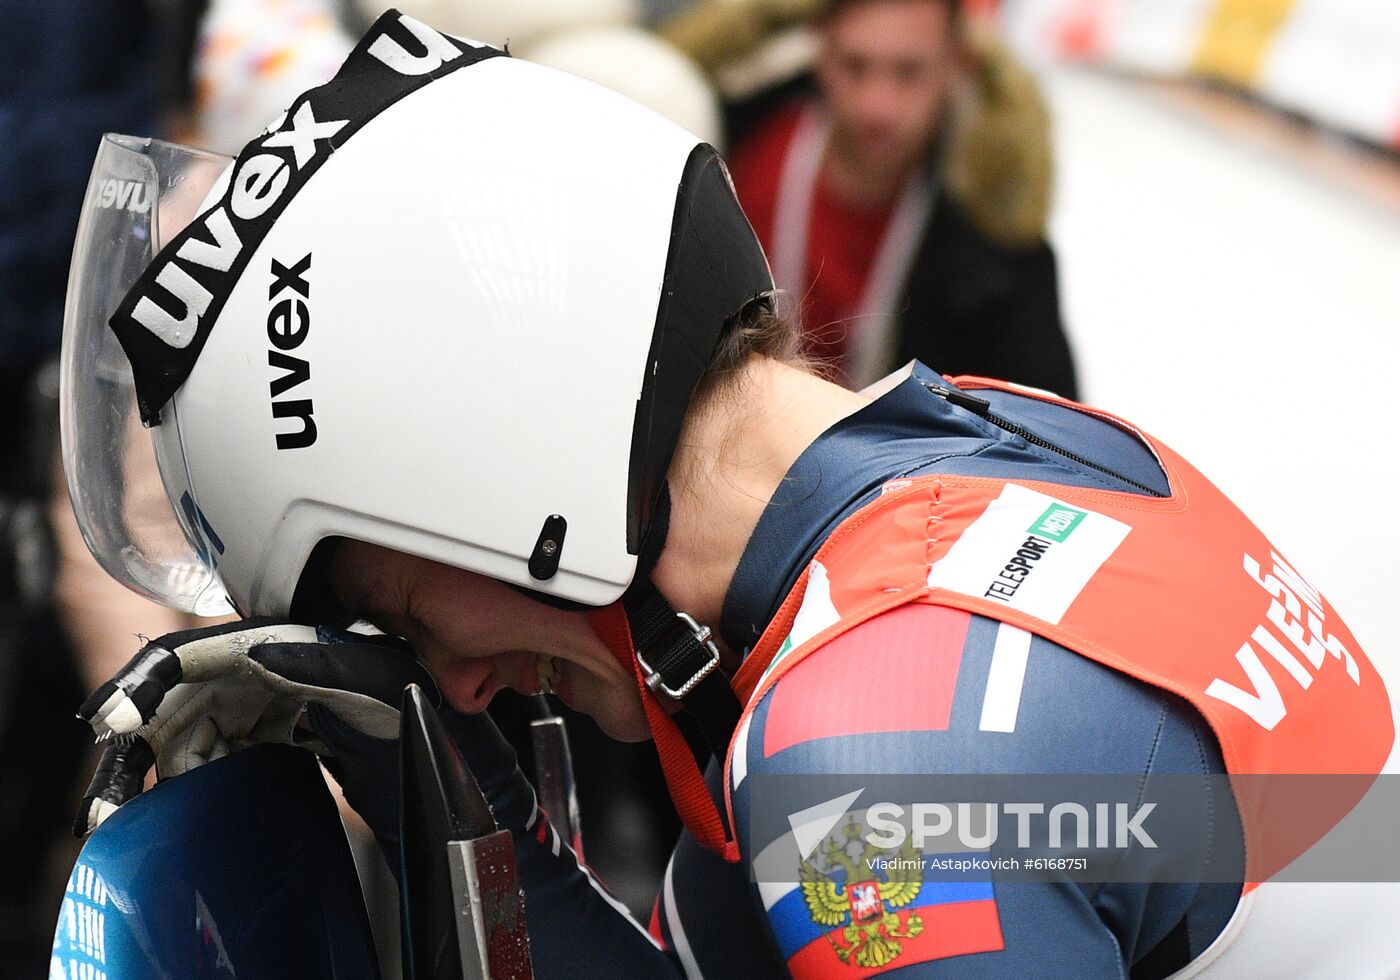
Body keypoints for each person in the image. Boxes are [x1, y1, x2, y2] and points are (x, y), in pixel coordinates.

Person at [63, 12, 1396, 978]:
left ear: (491, 453)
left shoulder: (860, 768)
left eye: (399, 609)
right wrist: (492, 841)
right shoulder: (995, 453)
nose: (456, 684)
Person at [725, 0, 1078, 394]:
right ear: (819, 50)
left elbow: (1051, 428)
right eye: (855, 65)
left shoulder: (994, 243)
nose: (878, 107)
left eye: (909, 72)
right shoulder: (733, 150)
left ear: (956, 65)